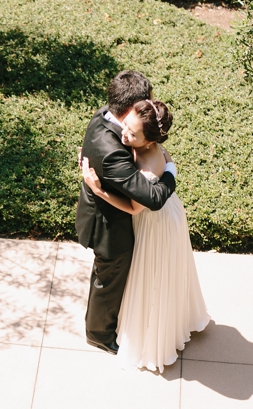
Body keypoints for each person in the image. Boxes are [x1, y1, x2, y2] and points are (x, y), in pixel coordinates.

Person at [82, 100, 210, 372]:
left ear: (150, 141)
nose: (124, 135)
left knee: (154, 278)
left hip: (157, 223)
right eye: (125, 125)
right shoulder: (144, 141)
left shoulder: (148, 168)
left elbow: (133, 207)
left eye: (132, 133)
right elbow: (168, 162)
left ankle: (158, 334)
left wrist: (98, 190)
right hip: (165, 210)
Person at [76, 71, 177, 355]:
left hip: (106, 206)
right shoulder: (114, 154)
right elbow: (154, 198)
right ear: (131, 107)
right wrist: (170, 170)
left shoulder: (103, 113)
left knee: (114, 277)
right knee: (108, 279)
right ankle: (98, 333)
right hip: (110, 225)